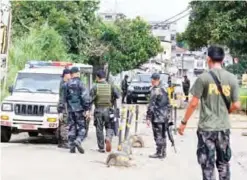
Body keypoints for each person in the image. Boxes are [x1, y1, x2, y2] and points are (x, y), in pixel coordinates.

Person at [178, 46, 240, 180]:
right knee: (223, 164)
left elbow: (193, 103)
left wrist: (183, 123)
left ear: (208, 59)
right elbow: (237, 105)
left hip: (206, 129)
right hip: (223, 128)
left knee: (207, 165)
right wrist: (226, 111)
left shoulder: (203, 78)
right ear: (223, 60)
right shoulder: (232, 78)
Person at [62, 67, 91, 153]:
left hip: (70, 110)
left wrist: (61, 110)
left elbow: (63, 99)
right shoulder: (81, 84)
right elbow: (85, 98)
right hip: (80, 110)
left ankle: (72, 146)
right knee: (82, 127)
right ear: (77, 73)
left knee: (72, 127)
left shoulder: (66, 85)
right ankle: (78, 140)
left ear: (71, 74)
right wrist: (87, 109)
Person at [90, 70, 120, 153]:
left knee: (99, 128)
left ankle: (101, 147)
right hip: (109, 110)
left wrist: (88, 110)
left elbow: (90, 100)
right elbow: (118, 95)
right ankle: (108, 138)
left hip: (98, 110)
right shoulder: (111, 86)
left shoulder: (95, 87)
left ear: (97, 77)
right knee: (109, 126)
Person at [146, 73, 170, 159]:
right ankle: (163, 152)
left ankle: (159, 152)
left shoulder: (155, 90)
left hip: (157, 116)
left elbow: (151, 105)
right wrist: (168, 114)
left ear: (155, 80)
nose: (151, 81)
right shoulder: (165, 89)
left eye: (152, 79)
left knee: (158, 135)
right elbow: (168, 103)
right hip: (165, 116)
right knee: (163, 134)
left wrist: (148, 117)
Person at [57, 68, 71, 149]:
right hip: (64, 105)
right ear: (66, 75)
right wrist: (61, 109)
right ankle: (64, 141)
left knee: (62, 123)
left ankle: (60, 142)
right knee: (64, 124)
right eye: (69, 74)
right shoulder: (63, 84)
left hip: (63, 105)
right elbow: (62, 97)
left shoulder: (64, 82)